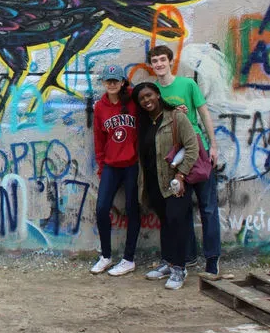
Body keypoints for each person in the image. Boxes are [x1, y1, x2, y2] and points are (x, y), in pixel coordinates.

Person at [149, 45, 220, 278]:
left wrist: (213, 145)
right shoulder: (153, 92)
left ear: (171, 61)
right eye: (155, 61)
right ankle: (187, 258)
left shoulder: (188, 85)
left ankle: (212, 260)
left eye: (162, 60)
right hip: (175, 160)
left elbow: (203, 113)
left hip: (198, 152)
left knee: (208, 208)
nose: (159, 64)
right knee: (183, 211)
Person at [132, 82, 200, 290]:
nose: (146, 100)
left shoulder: (176, 117)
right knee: (165, 222)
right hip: (155, 183)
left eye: (149, 95)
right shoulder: (144, 122)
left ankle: (180, 268)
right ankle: (168, 262)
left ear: (158, 95)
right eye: (142, 98)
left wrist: (181, 175)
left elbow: (192, 147)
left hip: (175, 182)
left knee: (176, 221)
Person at [91, 64, 140, 276]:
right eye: (108, 80)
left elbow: (153, 104)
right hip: (111, 166)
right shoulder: (100, 107)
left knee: (132, 209)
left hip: (132, 164)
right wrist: (102, 167)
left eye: (115, 80)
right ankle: (106, 256)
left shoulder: (133, 100)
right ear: (104, 82)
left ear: (122, 82)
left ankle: (129, 259)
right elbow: (98, 140)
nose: (111, 84)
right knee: (102, 208)